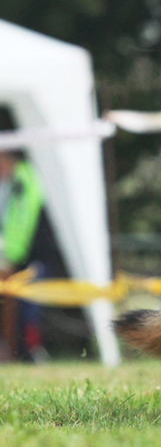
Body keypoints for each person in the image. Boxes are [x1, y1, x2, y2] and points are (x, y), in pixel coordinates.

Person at [0, 150, 66, 362]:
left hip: (35, 256)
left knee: (29, 308)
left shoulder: (23, 179)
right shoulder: (17, 179)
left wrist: (9, 256)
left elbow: (22, 222)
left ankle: (32, 352)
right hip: (24, 256)